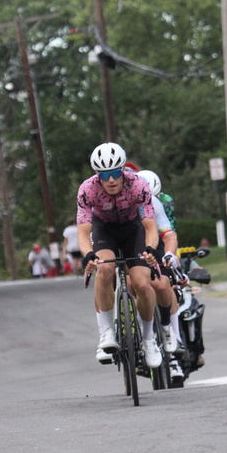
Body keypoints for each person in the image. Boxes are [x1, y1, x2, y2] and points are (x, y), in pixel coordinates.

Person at [76, 142, 163, 368]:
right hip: (104, 229)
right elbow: (83, 232)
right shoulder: (87, 190)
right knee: (104, 269)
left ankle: (148, 339)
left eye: (116, 173)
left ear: (123, 169)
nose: (111, 180)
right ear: (97, 175)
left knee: (143, 284)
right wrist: (88, 255)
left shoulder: (139, 186)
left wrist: (151, 249)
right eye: (105, 175)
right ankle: (106, 334)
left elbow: (150, 227)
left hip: (134, 228)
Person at [136, 169, 186, 382]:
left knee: (168, 284)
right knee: (133, 284)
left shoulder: (164, 202)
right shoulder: (128, 198)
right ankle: (137, 335)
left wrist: (171, 257)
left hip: (157, 247)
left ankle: (174, 338)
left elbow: (170, 235)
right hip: (134, 246)